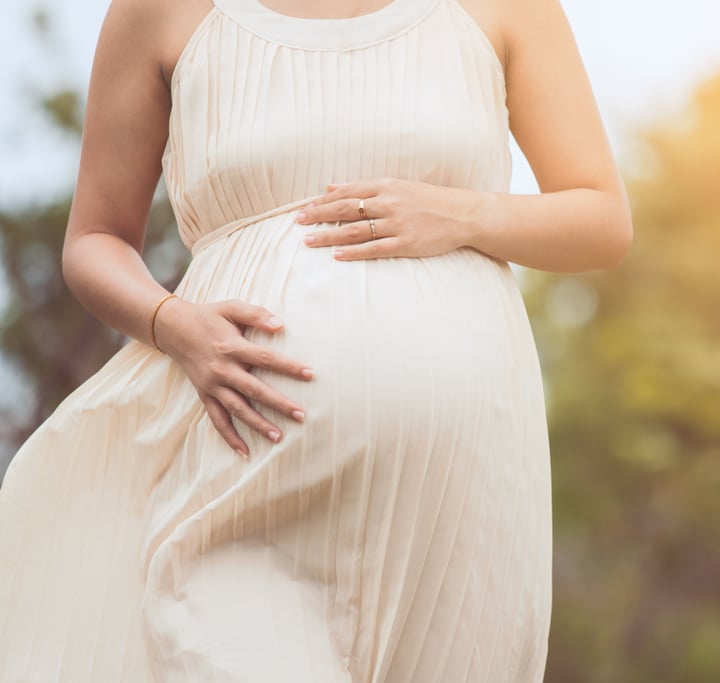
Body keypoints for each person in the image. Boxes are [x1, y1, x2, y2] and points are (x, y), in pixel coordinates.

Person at [0, 0, 632, 679]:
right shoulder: (159, 12)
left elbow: (602, 218)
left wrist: (463, 211)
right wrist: (174, 323)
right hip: (244, 474)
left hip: (459, 502)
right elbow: (95, 240)